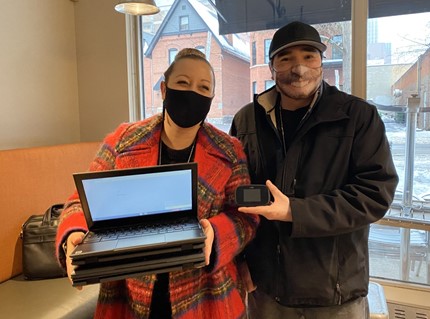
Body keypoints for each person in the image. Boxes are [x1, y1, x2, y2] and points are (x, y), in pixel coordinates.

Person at [56, 48, 259, 319]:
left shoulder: (230, 151)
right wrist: (74, 237)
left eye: (204, 87)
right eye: (183, 83)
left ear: (211, 99)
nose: (193, 93)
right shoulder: (123, 141)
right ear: (164, 89)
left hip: (207, 296)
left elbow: (246, 217)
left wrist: (214, 233)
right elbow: (82, 203)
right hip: (130, 294)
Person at [230, 21, 399, 318]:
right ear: (272, 67)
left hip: (335, 294)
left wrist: (295, 211)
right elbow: (234, 197)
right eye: (286, 58)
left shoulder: (358, 117)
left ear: (321, 61)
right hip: (267, 290)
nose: (299, 68)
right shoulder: (247, 120)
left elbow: (375, 195)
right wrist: (240, 259)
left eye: (309, 56)